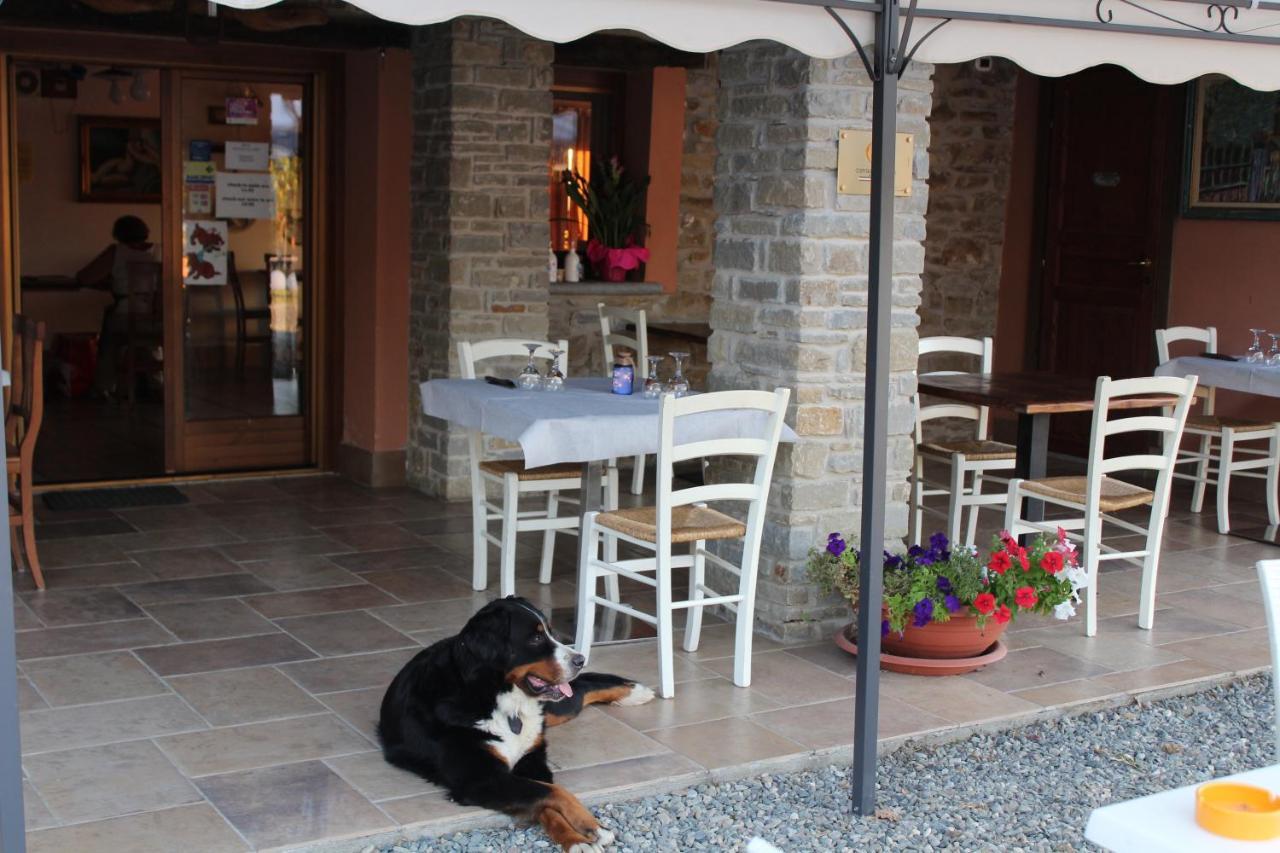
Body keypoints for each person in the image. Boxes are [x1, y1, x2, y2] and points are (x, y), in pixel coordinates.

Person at [76, 215, 157, 399]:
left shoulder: (117, 252)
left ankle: (104, 385)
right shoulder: (159, 251)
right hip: (158, 318)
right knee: (140, 336)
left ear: (118, 234)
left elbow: (84, 277)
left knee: (110, 331)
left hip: (127, 316)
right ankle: (151, 380)